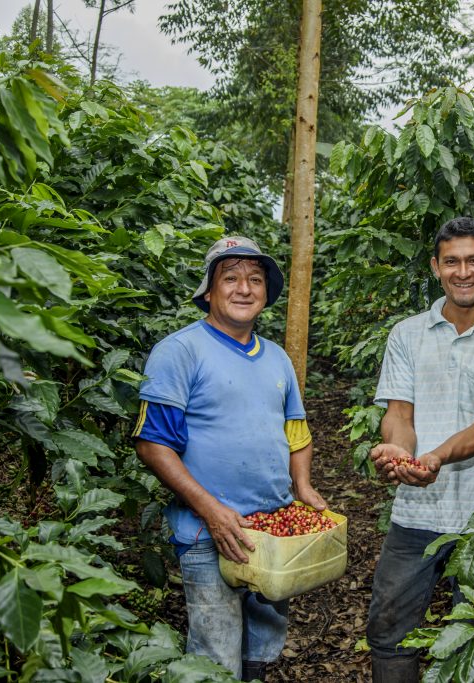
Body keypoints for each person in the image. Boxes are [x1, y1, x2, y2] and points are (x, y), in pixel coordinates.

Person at [132, 236, 327, 681]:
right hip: (207, 530)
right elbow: (152, 443)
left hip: (273, 529)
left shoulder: (277, 359)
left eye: (255, 279)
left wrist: (304, 486)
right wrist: (210, 509)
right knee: (215, 652)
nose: (244, 288)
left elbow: (296, 432)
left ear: (265, 293)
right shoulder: (179, 351)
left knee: (263, 642)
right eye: (231, 277)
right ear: (209, 290)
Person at [366, 217, 474, 682]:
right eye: (452, 262)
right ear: (436, 267)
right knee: (388, 629)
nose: (464, 272)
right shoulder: (407, 334)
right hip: (415, 513)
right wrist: (398, 453)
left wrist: (435, 457)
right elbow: (400, 413)